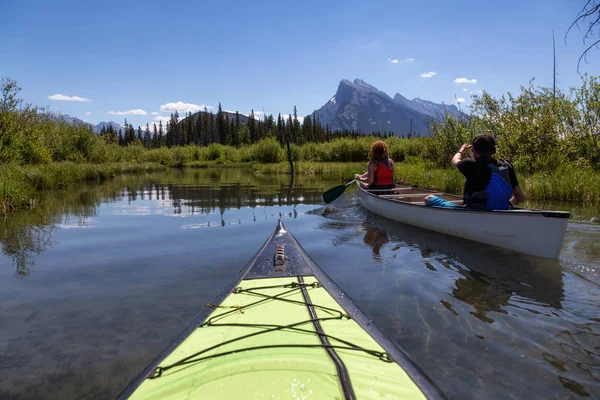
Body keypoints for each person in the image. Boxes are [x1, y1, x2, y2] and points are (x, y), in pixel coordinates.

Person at [425, 134, 526, 210]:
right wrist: (505, 206)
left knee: (428, 198)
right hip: (501, 211)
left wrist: (462, 150)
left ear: (474, 151)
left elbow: (454, 161)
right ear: (493, 151)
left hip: (472, 212)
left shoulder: (470, 164)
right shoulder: (506, 166)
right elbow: (520, 198)